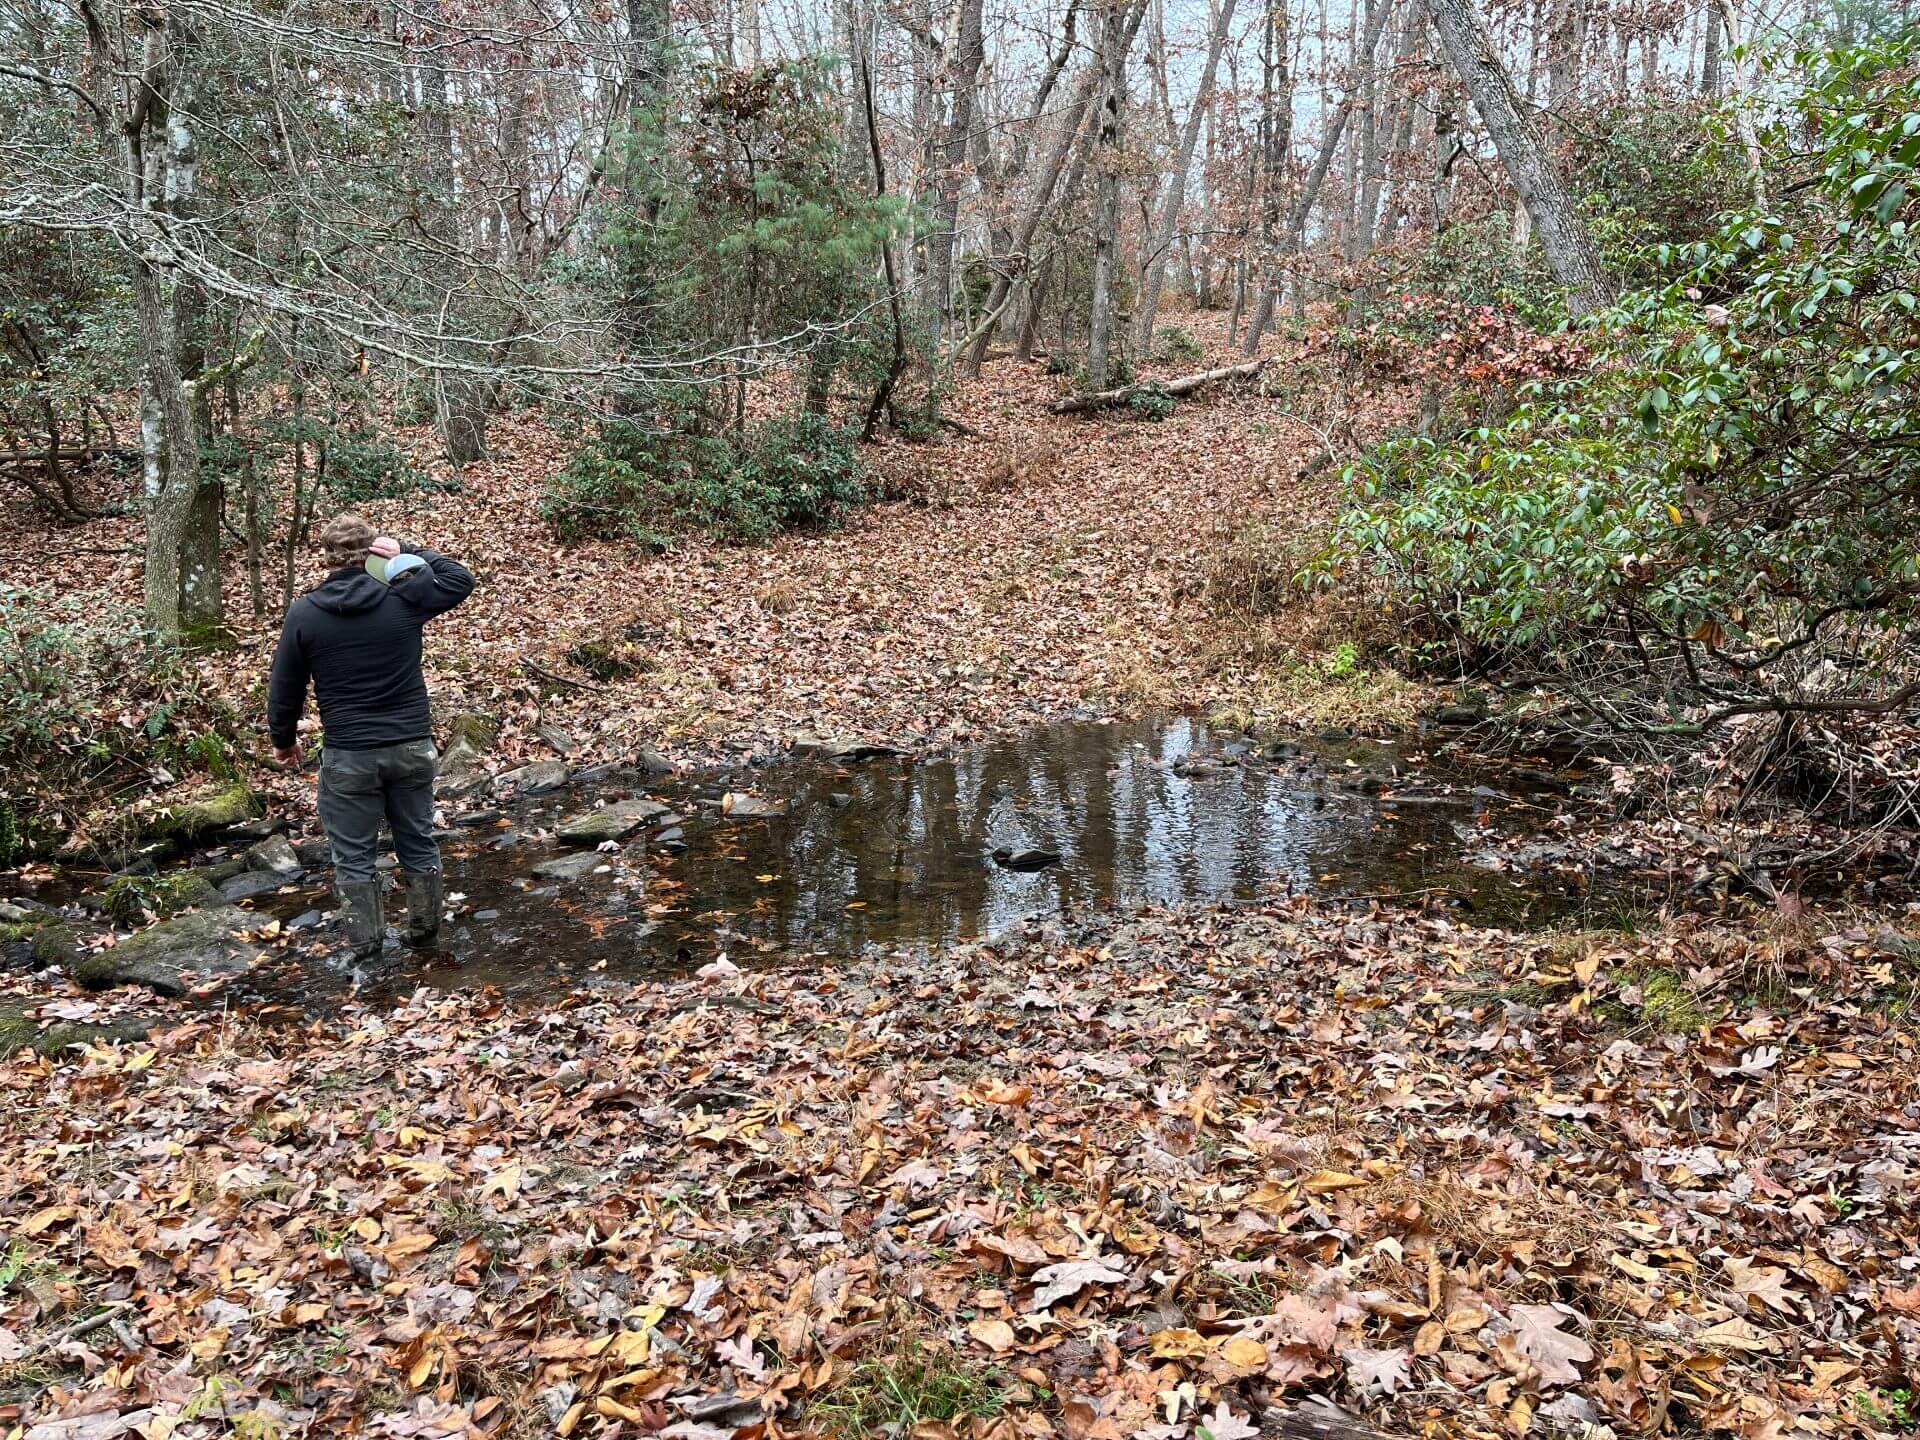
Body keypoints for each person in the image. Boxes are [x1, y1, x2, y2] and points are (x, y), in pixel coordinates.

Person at [268, 513, 475, 958]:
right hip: (411, 746)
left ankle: (366, 952)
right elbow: (459, 578)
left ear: (326, 557)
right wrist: (407, 549)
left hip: (349, 753)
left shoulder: (305, 612)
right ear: (372, 552)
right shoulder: (403, 598)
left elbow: (285, 686)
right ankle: (424, 938)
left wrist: (283, 740)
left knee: (353, 856)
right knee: (417, 840)